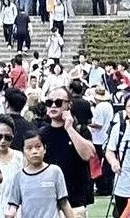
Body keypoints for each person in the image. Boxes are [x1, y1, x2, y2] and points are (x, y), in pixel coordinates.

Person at [36, 87, 96, 216]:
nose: (53, 106)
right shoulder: (42, 133)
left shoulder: (80, 130)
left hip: (75, 200)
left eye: (58, 102)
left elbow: (88, 155)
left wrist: (69, 128)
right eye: (49, 102)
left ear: (68, 105)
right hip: (49, 201)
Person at [4, 128, 74, 218]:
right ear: (23, 152)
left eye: (38, 146)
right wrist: (11, 213)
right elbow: (14, 203)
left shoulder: (55, 171)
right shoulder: (19, 176)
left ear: (44, 148)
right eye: (29, 148)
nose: (34, 151)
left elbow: (64, 203)